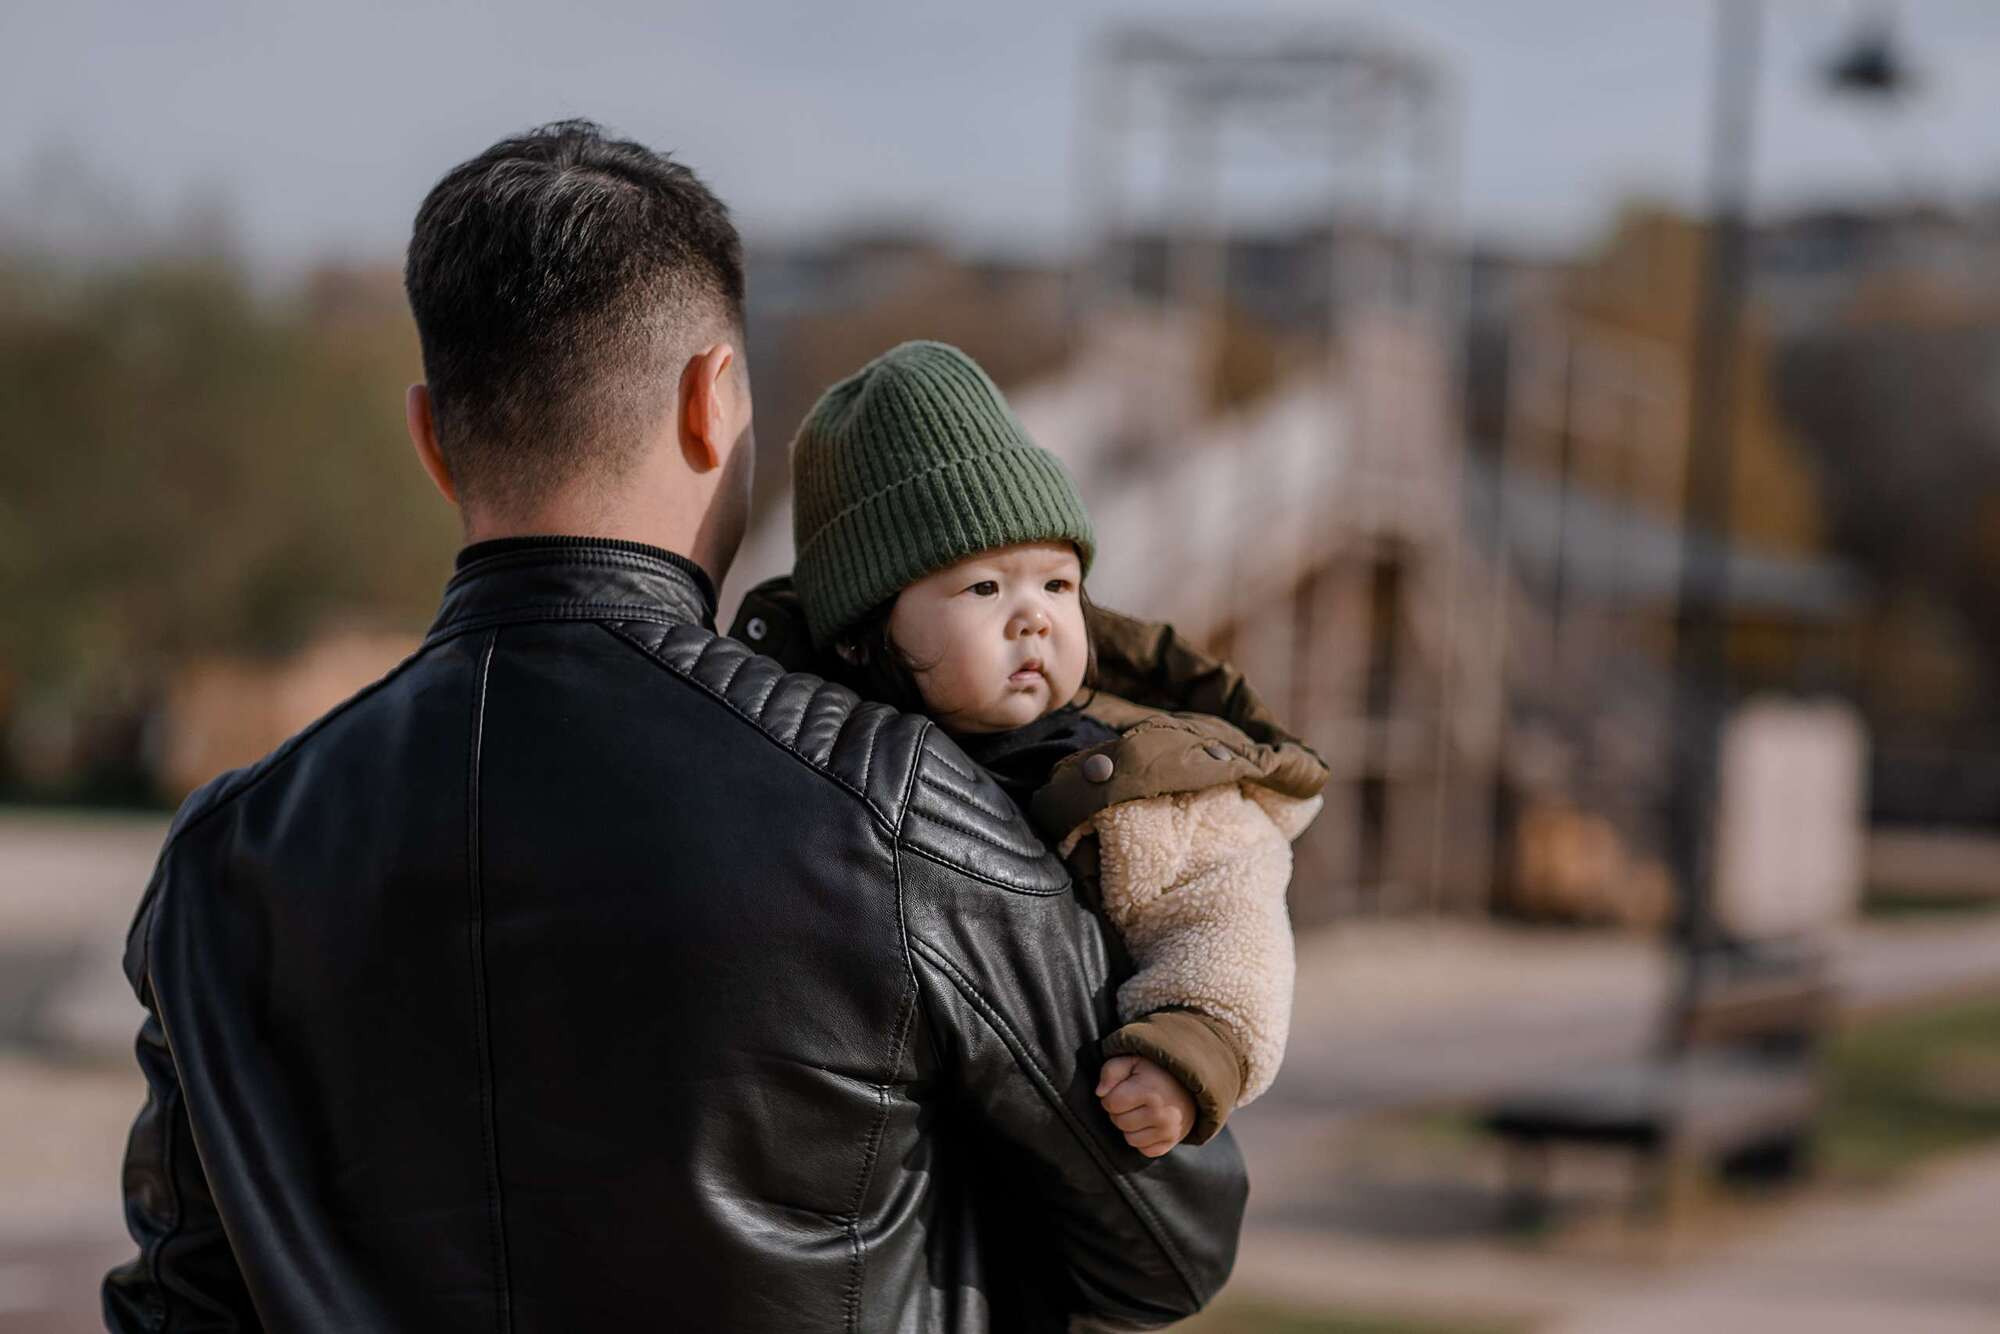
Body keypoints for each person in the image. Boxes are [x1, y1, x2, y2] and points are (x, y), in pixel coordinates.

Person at [102, 121, 1246, 1332]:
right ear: (714, 401)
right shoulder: (891, 804)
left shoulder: (225, 857)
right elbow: (1169, 1245)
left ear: (431, 436)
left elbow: (179, 1303)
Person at [730, 341, 1325, 1159]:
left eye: (1057, 584)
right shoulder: (800, 755)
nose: (1034, 617)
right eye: (984, 587)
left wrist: (1192, 1045)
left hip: (1067, 1133)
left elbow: (1228, 909)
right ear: (863, 636)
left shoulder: (1137, 781)